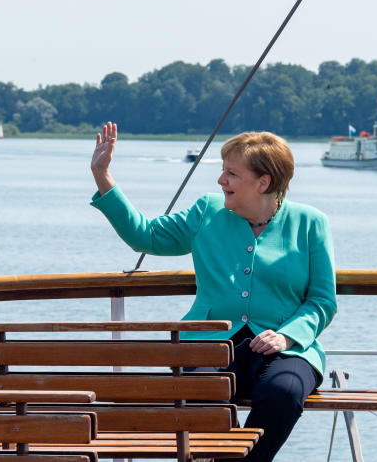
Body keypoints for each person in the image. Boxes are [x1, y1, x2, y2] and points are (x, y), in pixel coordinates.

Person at [90, 123, 336, 461]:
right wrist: (102, 175)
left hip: (285, 347)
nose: (221, 180)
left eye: (231, 173)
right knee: (203, 395)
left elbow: (322, 301)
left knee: (284, 392)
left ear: (262, 183)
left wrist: (286, 337)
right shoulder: (207, 211)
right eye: (223, 171)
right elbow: (144, 235)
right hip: (210, 345)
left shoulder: (310, 223)